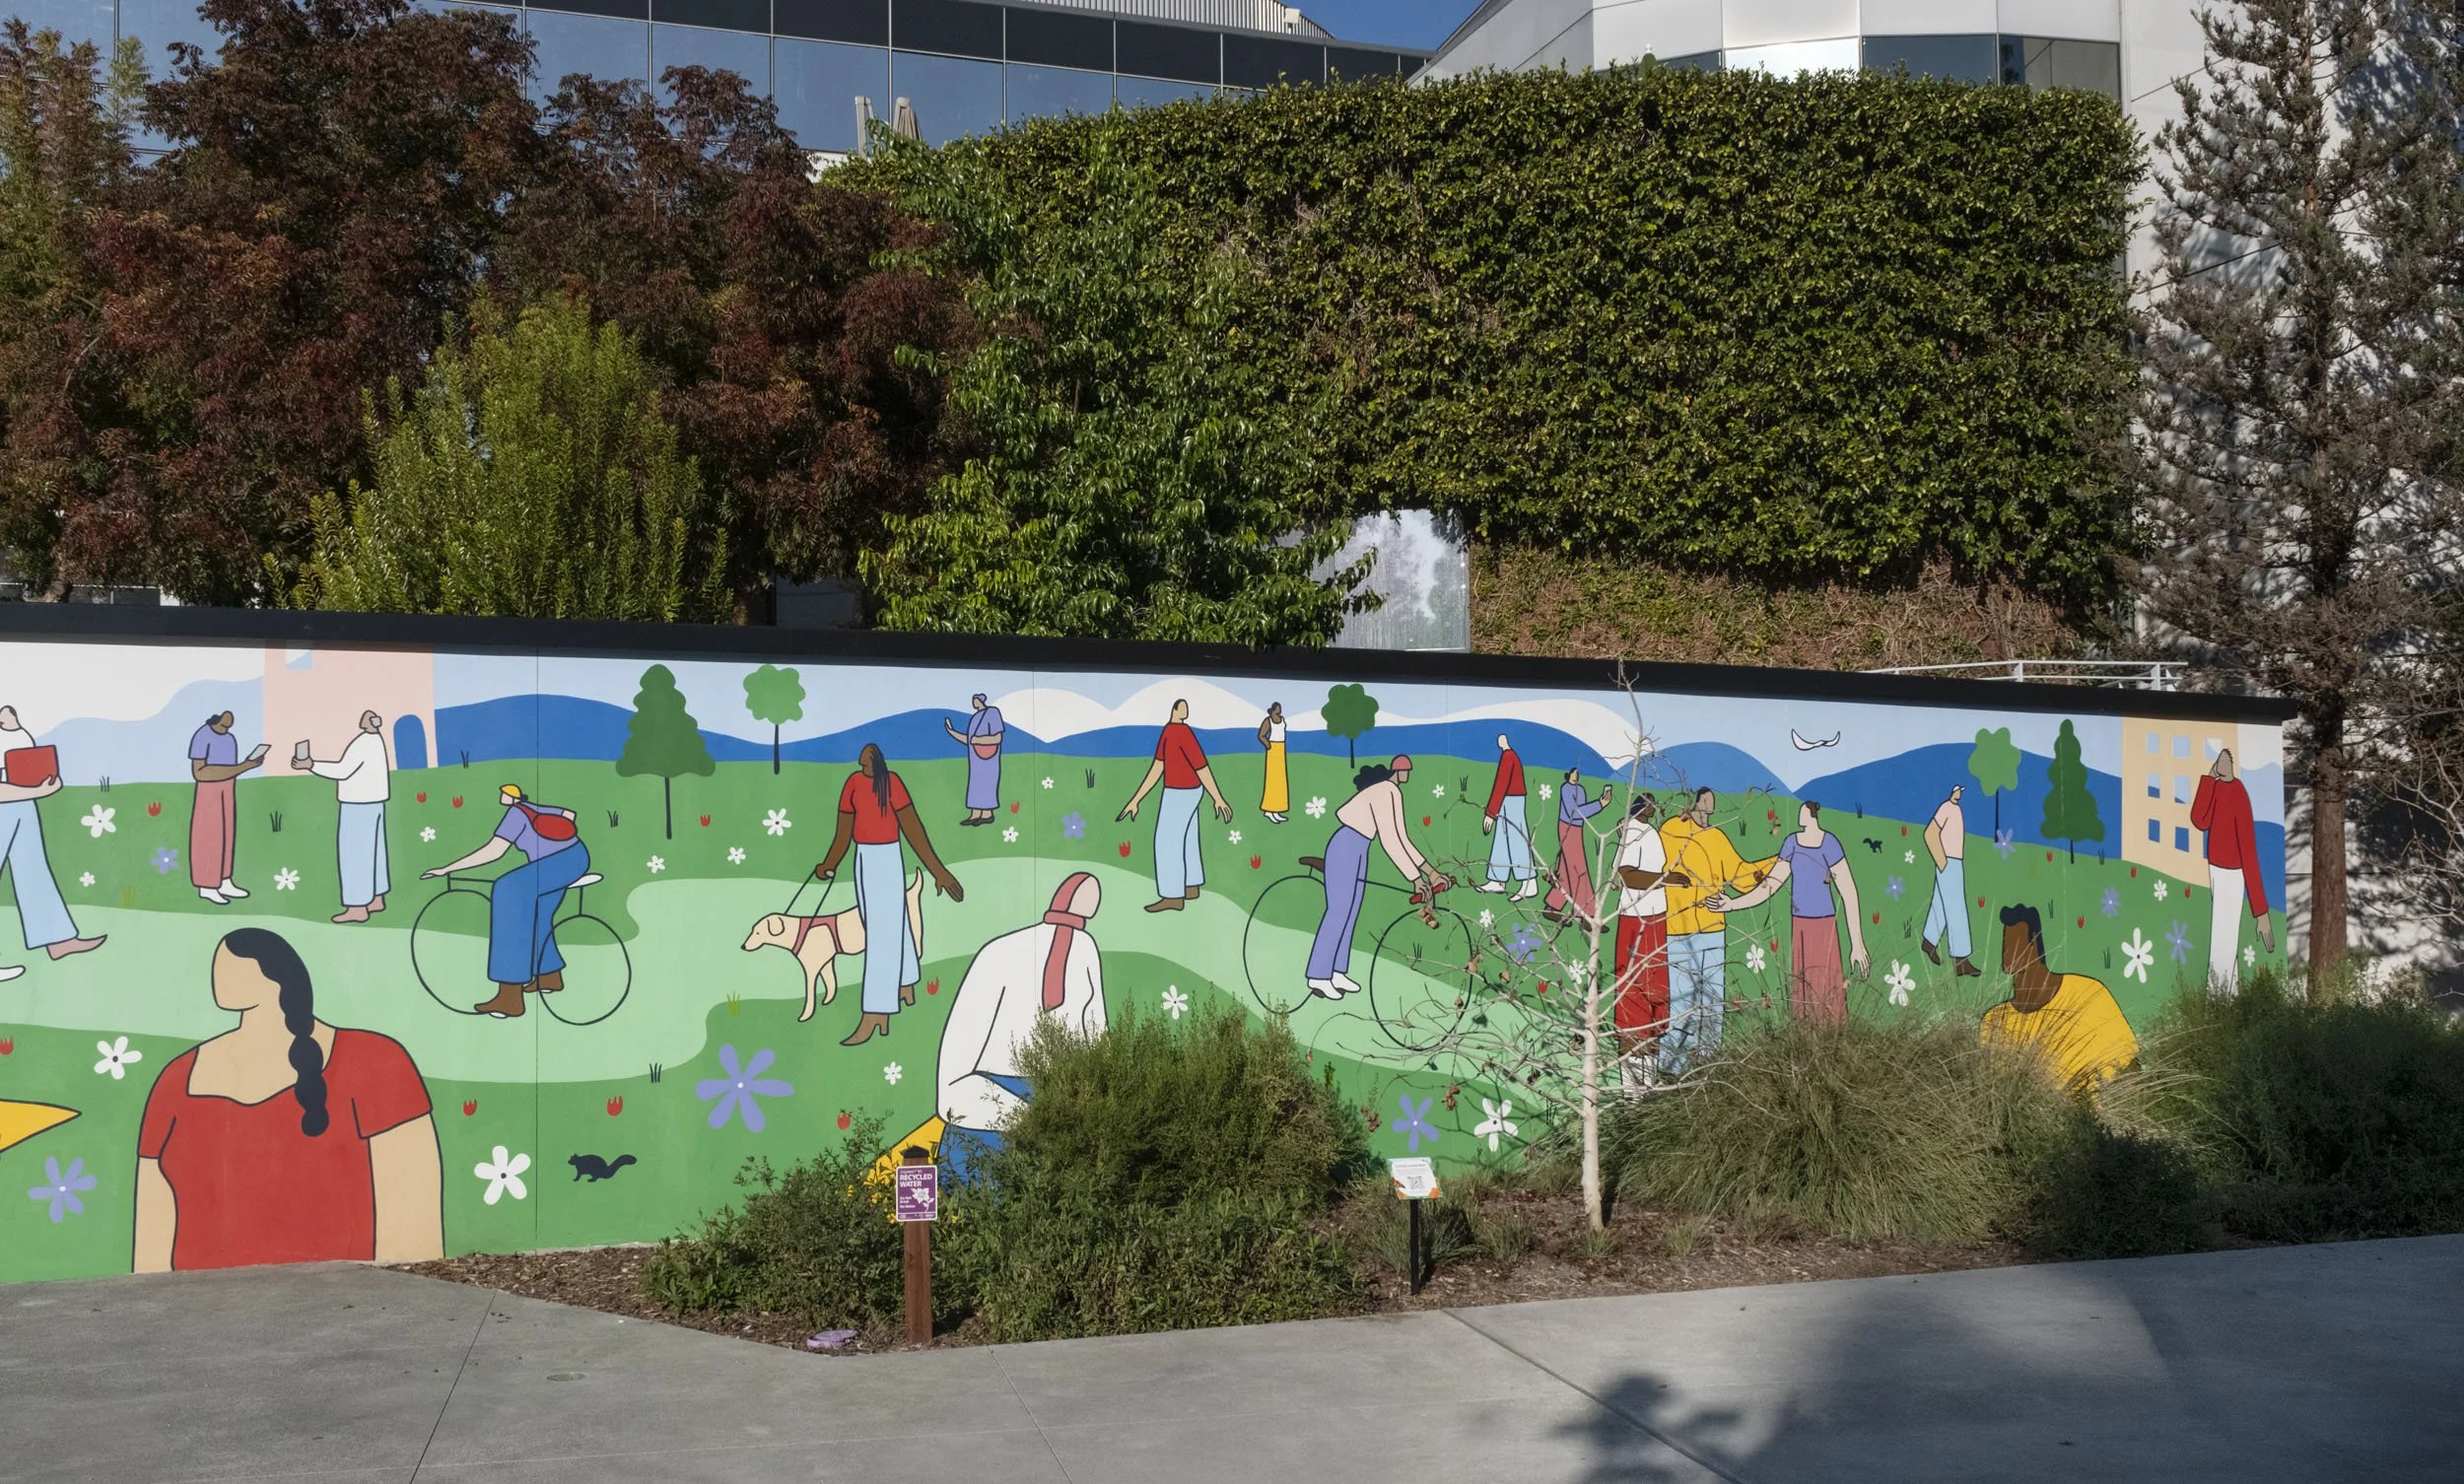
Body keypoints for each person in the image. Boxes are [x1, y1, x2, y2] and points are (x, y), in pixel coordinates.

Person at [135, 928, 442, 1271]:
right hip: (195, 1300)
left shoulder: (375, 1061)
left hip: (341, 1297)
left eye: (233, 964)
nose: (218, 973)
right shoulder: (177, 1078)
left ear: (276, 975)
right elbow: (152, 1220)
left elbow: (412, 1212)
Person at [933, 873, 1108, 1178]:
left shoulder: (1083, 949)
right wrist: (1032, 1116)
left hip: (1057, 1116)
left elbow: (1098, 1040)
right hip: (985, 1130)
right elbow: (952, 1084)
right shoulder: (997, 955)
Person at [818, 743, 963, 1046]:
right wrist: (829, 864)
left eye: (868, 763)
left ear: (876, 763)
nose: (864, 767)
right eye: (863, 764)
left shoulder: (892, 783)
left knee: (881, 934)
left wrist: (938, 871)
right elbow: (843, 832)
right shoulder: (854, 783)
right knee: (888, 921)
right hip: (863, 857)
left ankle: (877, 1012)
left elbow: (913, 829)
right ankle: (905, 982)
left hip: (885, 858)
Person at [422, 783, 591, 1020]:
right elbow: (569, 815)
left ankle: (509, 998)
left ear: (511, 798)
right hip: (577, 856)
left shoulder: (515, 815)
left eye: (505, 794)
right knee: (539, 912)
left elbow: (494, 852)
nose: (502, 796)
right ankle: (548, 975)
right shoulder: (532, 807)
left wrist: (448, 869)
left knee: (507, 889)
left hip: (557, 863)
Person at [1704, 800, 1869, 1025]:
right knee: (1803, 989)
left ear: (1811, 815)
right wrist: (1732, 904)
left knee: (1827, 987)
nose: (1799, 816)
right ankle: (1805, 1038)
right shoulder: (1792, 843)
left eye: (1803, 812)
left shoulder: (1829, 843)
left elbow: (1848, 891)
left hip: (1824, 926)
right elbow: (1770, 885)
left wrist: (1857, 944)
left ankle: (1833, 1037)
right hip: (1800, 926)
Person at [1305, 757, 1449, 1000]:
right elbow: (1390, 841)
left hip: (1361, 847)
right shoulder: (1384, 791)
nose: (1408, 774)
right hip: (1346, 844)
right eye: (1407, 770)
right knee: (1339, 911)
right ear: (1398, 771)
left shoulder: (1393, 792)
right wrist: (1415, 878)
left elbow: (1403, 839)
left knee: (1352, 911)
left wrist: (1432, 873)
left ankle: (1337, 972)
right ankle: (1318, 975)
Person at [1658, 788, 1767, 1068]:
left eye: (1712, 805)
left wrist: (1776, 865)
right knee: (1681, 1002)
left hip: (1713, 929)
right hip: (1678, 928)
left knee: (1712, 1003)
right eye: (1706, 803)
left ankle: (1708, 1064)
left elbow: (1740, 874)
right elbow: (1656, 868)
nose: (1709, 809)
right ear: (1696, 803)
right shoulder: (1671, 830)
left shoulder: (1717, 837)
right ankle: (1672, 1066)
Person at [1980, 904, 2138, 1093]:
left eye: (2014, 943)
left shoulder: (2088, 993)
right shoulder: (1995, 1020)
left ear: (2034, 944)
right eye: (2006, 942)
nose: (2006, 952)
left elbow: (2130, 1067)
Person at [0, 707, 103, 978]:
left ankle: (57, 939)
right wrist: (37, 789)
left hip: (20, 800)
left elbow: (19, 760)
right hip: (11, 798)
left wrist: (14, 728)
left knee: (33, 869)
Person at [1118, 699, 1233, 913]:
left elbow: (1202, 767)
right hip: (1189, 791)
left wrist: (1218, 797)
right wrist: (1136, 800)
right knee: (1188, 837)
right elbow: (1157, 767)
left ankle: (1172, 896)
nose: (1186, 711)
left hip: (1179, 792)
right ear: (1175, 710)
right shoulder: (1171, 732)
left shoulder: (1181, 733)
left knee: (1167, 841)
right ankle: (1191, 886)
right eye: (1183, 707)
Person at [1610, 794, 1687, 1090]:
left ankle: (1648, 1086)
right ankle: (1633, 1091)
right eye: (1649, 803)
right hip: (1636, 920)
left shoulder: (1647, 831)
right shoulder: (1632, 832)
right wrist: (1666, 879)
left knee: (1655, 1000)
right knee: (1634, 1001)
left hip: (1655, 918)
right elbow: (1627, 876)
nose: (1654, 807)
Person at [2191, 748, 2277, 993]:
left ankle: (2216, 998)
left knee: (2223, 936)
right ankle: (2231, 1000)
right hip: (2215, 869)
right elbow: (2199, 820)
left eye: (2225, 760)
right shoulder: (2217, 788)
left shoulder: (2239, 794)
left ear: (2232, 764)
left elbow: (2248, 850)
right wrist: (2208, 780)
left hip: (2233, 874)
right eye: (2219, 760)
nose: (2222, 764)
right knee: (2224, 933)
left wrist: (2260, 911)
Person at [294, 710, 390, 924]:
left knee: (355, 856)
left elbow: (343, 771)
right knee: (375, 853)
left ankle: (357, 907)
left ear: (367, 722)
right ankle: (376, 898)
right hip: (375, 803)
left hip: (357, 804)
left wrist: (311, 764)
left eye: (366, 716)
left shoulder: (362, 743)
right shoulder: (375, 740)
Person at [187, 710, 264, 905]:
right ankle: (206, 885)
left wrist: (248, 765)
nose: (226, 730)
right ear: (216, 721)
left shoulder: (230, 739)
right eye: (223, 726)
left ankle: (224, 879)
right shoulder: (202, 735)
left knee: (227, 834)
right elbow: (200, 772)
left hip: (228, 786)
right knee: (209, 835)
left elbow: (232, 768)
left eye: (229, 727)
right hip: (208, 789)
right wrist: (245, 766)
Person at [1921, 784, 1982, 978]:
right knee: (1956, 909)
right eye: (1957, 790)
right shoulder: (1946, 808)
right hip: (1949, 862)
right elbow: (1930, 833)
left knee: (1940, 904)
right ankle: (1961, 960)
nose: (1959, 793)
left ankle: (1929, 941)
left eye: (1960, 791)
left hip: (1955, 862)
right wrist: (1942, 862)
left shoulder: (1956, 810)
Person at [1543, 767, 1609, 923]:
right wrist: (1599, 804)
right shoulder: (1565, 789)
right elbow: (1574, 812)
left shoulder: (1581, 789)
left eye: (1578, 773)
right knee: (1578, 870)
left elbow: (1582, 813)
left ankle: (1552, 907)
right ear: (1568, 775)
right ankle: (1585, 915)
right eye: (1574, 772)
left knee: (1566, 871)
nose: (1577, 775)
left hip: (1577, 828)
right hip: (1567, 828)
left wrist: (1600, 804)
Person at [1479, 733, 1537, 899]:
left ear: (1503, 742)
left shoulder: (1508, 757)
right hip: (1510, 799)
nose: (1500, 741)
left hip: (1512, 800)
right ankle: (1497, 880)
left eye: (1501, 739)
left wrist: (1491, 813)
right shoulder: (1510, 756)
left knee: (1517, 839)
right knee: (1502, 840)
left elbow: (1501, 784)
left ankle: (1529, 883)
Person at [943, 693, 1004, 828]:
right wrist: (952, 732)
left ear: (980, 700)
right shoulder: (975, 718)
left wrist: (978, 740)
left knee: (987, 783)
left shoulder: (992, 713)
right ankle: (975, 814)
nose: (973, 702)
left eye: (975, 699)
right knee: (975, 785)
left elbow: (997, 738)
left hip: (988, 759)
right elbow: (969, 740)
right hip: (975, 760)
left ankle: (987, 814)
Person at [1257, 703, 1290, 824]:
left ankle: (1276, 810)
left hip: (1281, 748)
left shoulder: (1282, 719)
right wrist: (1268, 745)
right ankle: (1269, 810)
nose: (1280, 709)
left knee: (1280, 781)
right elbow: (1261, 735)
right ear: (1274, 709)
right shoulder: (1268, 720)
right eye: (1278, 707)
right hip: (1273, 749)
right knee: (1272, 780)